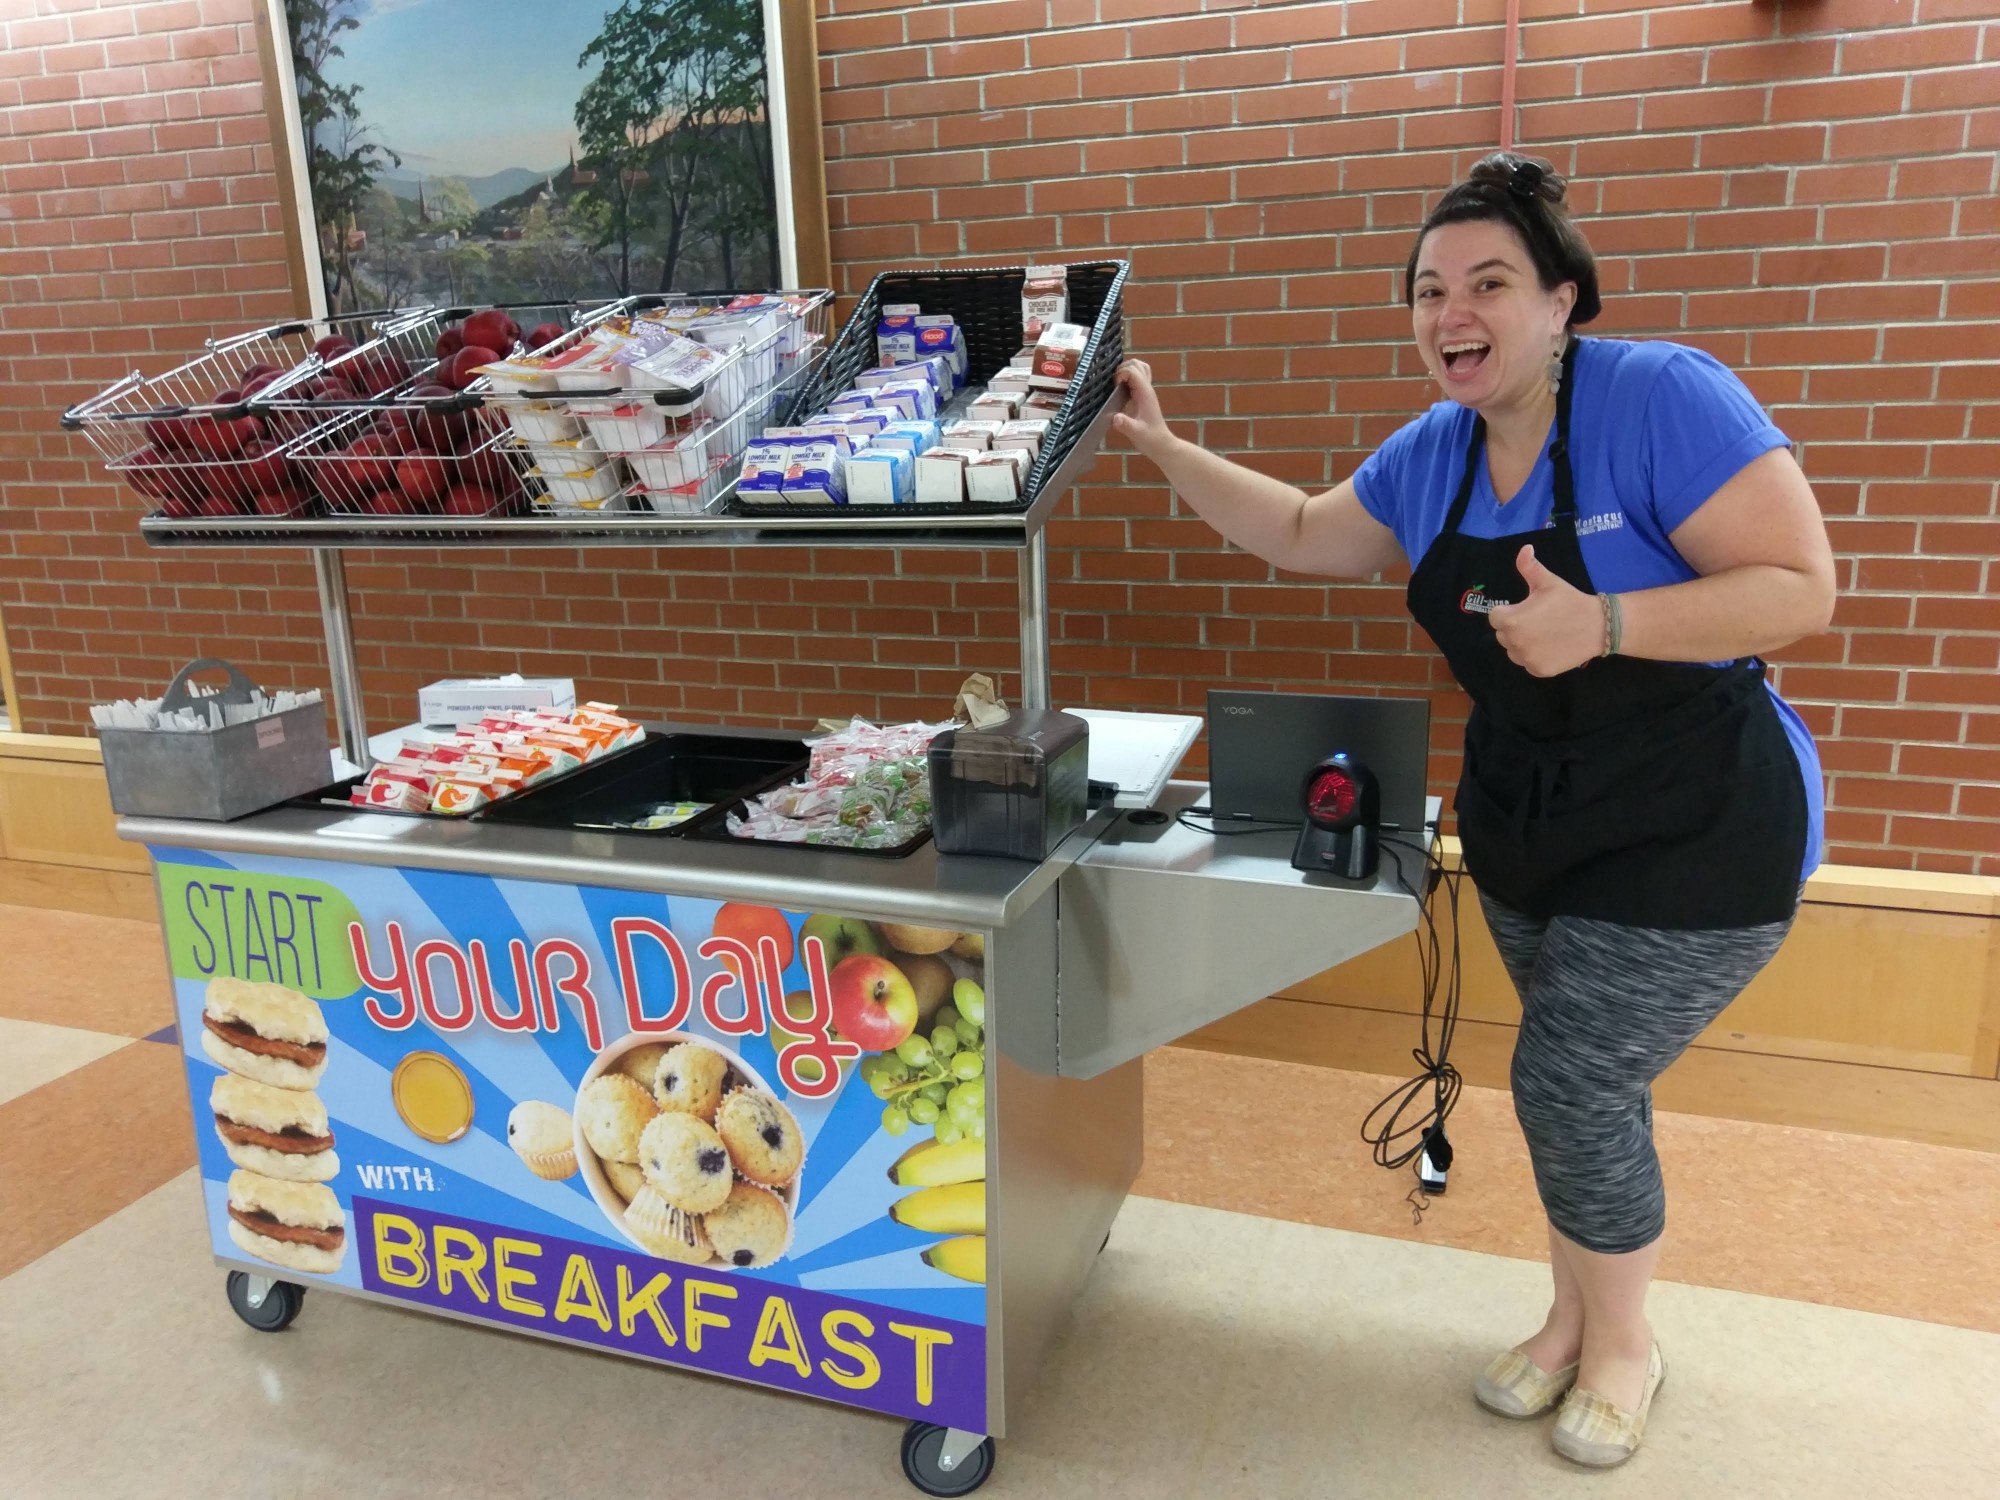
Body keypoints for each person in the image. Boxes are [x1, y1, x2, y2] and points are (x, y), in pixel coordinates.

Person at [1112, 151, 1834, 1469]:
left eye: (1491, 281)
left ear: (1565, 300)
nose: (1455, 309)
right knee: (1589, 1093)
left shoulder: (1659, 398)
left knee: (1568, 1080)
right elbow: (1299, 529)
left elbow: (1799, 585)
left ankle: (1626, 1345)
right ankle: (1570, 1320)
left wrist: (1610, 620)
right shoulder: (1434, 454)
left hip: (1700, 814)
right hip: (1527, 816)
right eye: (1431, 288)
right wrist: (1160, 447)